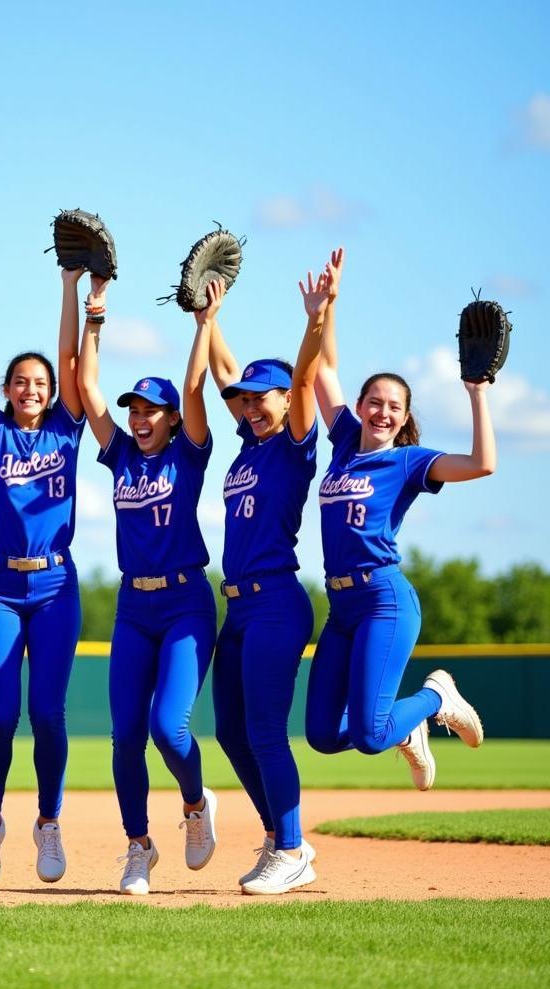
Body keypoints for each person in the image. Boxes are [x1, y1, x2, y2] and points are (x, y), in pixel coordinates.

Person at [307, 249, 492, 790]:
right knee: (322, 733)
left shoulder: (408, 461)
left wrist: (477, 395)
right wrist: (327, 308)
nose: (383, 411)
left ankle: (437, 697)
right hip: (340, 605)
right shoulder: (343, 444)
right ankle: (407, 731)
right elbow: (324, 369)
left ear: (404, 416)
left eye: (395, 406)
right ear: (360, 406)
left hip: (383, 599)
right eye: (375, 401)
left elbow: (483, 464)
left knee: (367, 734)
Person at [76, 273, 220, 896]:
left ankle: (195, 805)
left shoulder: (188, 453)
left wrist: (204, 324)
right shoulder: (123, 457)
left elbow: (193, 386)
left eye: (149, 410)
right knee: (125, 735)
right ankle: (138, 845)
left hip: (188, 599)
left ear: (169, 419)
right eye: (133, 409)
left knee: (169, 727)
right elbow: (85, 387)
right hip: (135, 604)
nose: (138, 418)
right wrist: (95, 311)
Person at [0, 266, 86, 887]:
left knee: (49, 713)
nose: (31, 388)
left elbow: (69, 355)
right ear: (7, 390)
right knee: (1, 714)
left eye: (40, 383)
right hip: (0, 586)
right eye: (20, 382)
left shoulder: (66, 426)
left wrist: (71, 288)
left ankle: (49, 821)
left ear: (52, 390)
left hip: (56, 586)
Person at [205, 266, 333, 895]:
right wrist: (208, 319)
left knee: (263, 731)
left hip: (278, 603)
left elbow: (305, 373)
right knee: (230, 730)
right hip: (239, 610)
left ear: (288, 401)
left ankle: (289, 847)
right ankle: (285, 840)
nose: (253, 405)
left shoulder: (293, 443)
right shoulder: (252, 442)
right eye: (247, 398)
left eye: (265, 396)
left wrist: (317, 317)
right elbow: (230, 371)